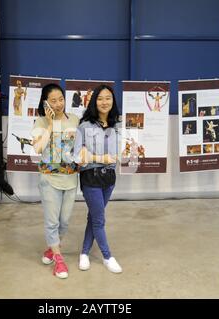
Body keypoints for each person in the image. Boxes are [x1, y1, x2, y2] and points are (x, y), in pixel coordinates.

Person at [31, 83, 80, 279]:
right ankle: (59, 259)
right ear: (46, 103)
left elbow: (79, 147)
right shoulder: (41, 122)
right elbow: (37, 149)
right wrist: (51, 125)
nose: (58, 104)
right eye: (53, 100)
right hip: (49, 178)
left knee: (64, 222)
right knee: (52, 222)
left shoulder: (75, 120)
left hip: (70, 177)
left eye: (61, 99)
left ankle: (52, 249)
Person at [74, 85, 122, 274]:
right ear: (94, 101)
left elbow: (119, 151)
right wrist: (98, 158)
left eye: (108, 98)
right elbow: (77, 155)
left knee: (93, 217)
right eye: (100, 98)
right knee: (99, 220)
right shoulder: (85, 125)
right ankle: (107, 256)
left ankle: (84, 253)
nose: (104, 102)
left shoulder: (116, 125)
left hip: (109, 177)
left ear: (113, 101)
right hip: (91, 178)